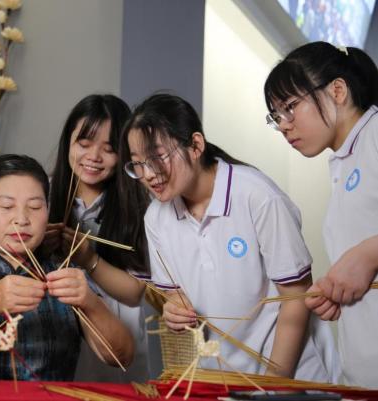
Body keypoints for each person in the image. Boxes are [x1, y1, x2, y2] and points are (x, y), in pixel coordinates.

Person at [120, 93, 339, 381]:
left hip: (291, 377)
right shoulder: (156, 218)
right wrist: (174, 309)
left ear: (195, 145)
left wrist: (274, 385)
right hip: (221, 380)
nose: (148, 174)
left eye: (158, 158)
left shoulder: (257, 196)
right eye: (137, 163)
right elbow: (174, 293)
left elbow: (296, 299)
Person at [0, 154, 134, 380]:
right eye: (7, 206)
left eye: (35, 206)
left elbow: (122, 358)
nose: (21, 219)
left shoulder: (65, 274)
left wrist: (90, 302)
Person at [264, 41, 378, 388]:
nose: (284, 126)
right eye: (276, 117)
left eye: (290, 108)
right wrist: (338, 288)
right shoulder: (345, 161)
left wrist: (369, 254)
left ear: (337, 91)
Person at [47, 94, 150, 382]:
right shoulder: (41, 196)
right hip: (56, 342)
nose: (94, 156)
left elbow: (135, 293)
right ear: (68, 142)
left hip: (120, 343)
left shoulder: (140, 207)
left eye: (109, 149)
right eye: (84, 144)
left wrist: (87, 257)